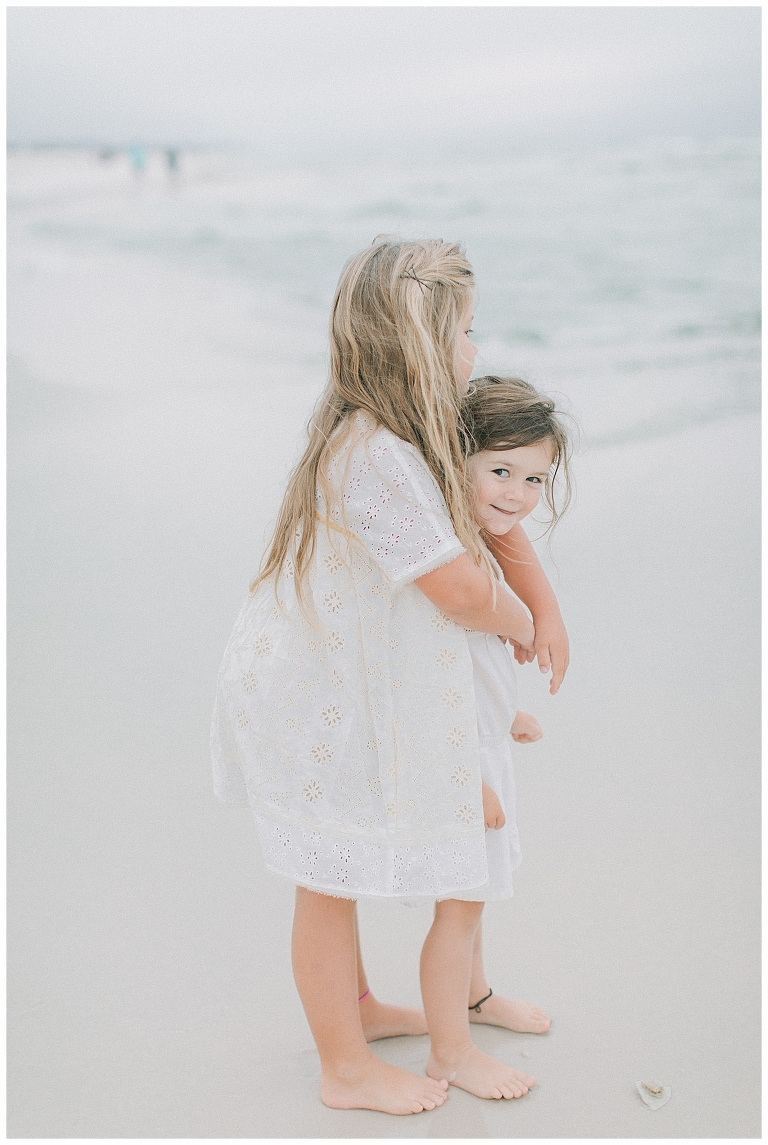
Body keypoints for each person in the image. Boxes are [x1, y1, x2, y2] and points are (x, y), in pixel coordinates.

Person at [211, 239, 568, 1114]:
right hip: (312, 696)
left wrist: (543, 609)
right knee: (329, 878)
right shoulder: (373, 453)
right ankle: (344, 1064)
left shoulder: (407, 434)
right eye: (462, 332)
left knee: (348, 866)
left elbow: (496, 534)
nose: (474, 351)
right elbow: (453, 586)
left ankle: (361, 1011)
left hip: (344, 683)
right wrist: (519, 621)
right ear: (414, 341)